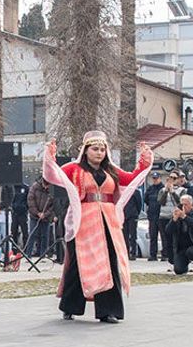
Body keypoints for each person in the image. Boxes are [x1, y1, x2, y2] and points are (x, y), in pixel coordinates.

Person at [43, 131, 153, 324]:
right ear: (86, 150)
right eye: (95, 149)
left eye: (102, 149)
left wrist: (144, 161)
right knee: (79, 262)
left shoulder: (111, 170)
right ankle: (70, 306)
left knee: (109, 262)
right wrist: (49, 155)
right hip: (84, 220)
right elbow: (53, 174)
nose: (99, 153)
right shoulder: (74, 168)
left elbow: (132, 179)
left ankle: (108, 311)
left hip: (108, 220)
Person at [166, 195, 193, 275]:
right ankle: (185, 265)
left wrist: (185, 217)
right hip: (181, 247)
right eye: (182, 204)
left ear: (191, 205)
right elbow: (168, 231)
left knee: (191, 252)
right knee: (178, 270)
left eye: (186, 204)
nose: (183, 207)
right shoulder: (177, 217)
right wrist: (174, 220)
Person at [26, 177, 54, 257]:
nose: (46, 187)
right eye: (45, 185)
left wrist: (45, 214)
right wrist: (37, 213)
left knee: (45, 236)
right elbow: (30, 201)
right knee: (32, 234)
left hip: (45, 217)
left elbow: (53, 205)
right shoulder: (34, 187)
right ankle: (28, 254)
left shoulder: (52, 189)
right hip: (34, 216)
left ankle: (43, 254)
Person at [157, 172, 181, 264]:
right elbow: (160, 202)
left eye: (174, 178)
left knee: (175, 238)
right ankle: (166, 255)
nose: (172, 180)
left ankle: (176, 257)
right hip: (163, 216)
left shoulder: (181, 190)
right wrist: (166, 191)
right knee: (165, 238)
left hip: (175, 217)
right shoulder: (162, 190)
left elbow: (180, 202)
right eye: (170, 178)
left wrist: (173, 192)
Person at [144, 172, 163, 261]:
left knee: (163, 236)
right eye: (154, 178)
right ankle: (153, 255)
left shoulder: (163, 188)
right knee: (153, 236)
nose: (155, 180)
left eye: (156, 178)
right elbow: (146, 200)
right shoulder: (150, 189)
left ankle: (165, 254)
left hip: (161, 215)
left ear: (160, 178)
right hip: (152, 216)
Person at [123, 187, 143, 260]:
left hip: (132, 216)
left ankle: (133, 253)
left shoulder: (136, 191)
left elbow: (139, 204)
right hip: (124, 216)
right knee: (125, 236)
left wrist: (136, 213)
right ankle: (126, 253)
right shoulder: (122, 191)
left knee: (133, 235)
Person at [10, 181, 30, 247]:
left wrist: (25, 207)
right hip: (14, 213)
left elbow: (29, 199)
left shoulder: (26, 187)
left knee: (25, 232)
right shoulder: (12, 187)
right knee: (13, 232)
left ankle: (26, 249)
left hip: (23, 213)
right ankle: (14, 249)